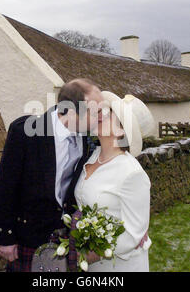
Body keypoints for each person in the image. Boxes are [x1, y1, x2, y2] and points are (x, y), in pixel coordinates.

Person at [0, 78, 104, 271]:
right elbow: (6, 186)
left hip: (65, 237)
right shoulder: (25, 132)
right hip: (28, 237)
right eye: (94, 111)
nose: (100, 116)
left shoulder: (85, 139)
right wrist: (5, 236)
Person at [73, 91, 154, 272]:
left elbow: (133, 235)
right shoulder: (91, 157)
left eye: (108, 114)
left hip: (119, 267)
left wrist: (88, 255)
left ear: (121, 130)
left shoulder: (132, 173)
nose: (99, 115)